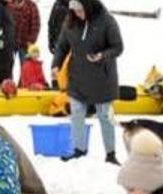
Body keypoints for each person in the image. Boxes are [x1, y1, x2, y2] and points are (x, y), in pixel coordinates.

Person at [51, 0, 124, 165]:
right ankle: (79, 149)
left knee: (104, 115)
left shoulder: (106, 20)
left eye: (80, 10)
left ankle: (110, 154)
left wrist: (102, 56)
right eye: (74, 11)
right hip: (78, 76)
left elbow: (118, 47)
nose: (78, 14)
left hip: (102, 77)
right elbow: (62, 46)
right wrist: (56, 64)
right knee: (76, 111)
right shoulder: (71, 21)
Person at [9, 0, 41, 65]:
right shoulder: (9, 5)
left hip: (25, 44)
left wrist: (31, 40)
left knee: (25, 66)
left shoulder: (31, 6)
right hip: (10, 42)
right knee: (7, 67)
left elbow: (35, 24)